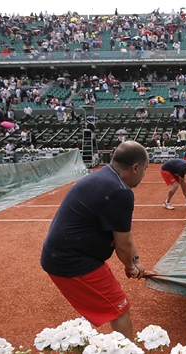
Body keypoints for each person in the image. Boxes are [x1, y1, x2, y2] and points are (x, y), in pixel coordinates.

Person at [41, 141, 149, 340]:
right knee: (120, 308)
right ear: (135, 168)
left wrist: (135, 260)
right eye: (144, 170)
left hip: (72, 254)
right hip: (72, 260)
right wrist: (130, 266)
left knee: (103, 303)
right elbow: (122, 244)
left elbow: (125, 235)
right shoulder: (120, 191)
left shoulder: (105, 176)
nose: (144, 175)